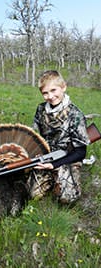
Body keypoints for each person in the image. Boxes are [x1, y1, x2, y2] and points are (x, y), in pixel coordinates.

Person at [29, 70, 90, 204]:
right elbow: (34, 136)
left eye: (53, 90)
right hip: (46, 156)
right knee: (32, 195)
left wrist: (54, 165)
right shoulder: (40, 109)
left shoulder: (75, 114)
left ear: (64, 87)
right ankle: (52, 179)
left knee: (67, 198)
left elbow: (81, 152)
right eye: (45, 93)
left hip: (68, 158)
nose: (50, 96)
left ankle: (64, 177)